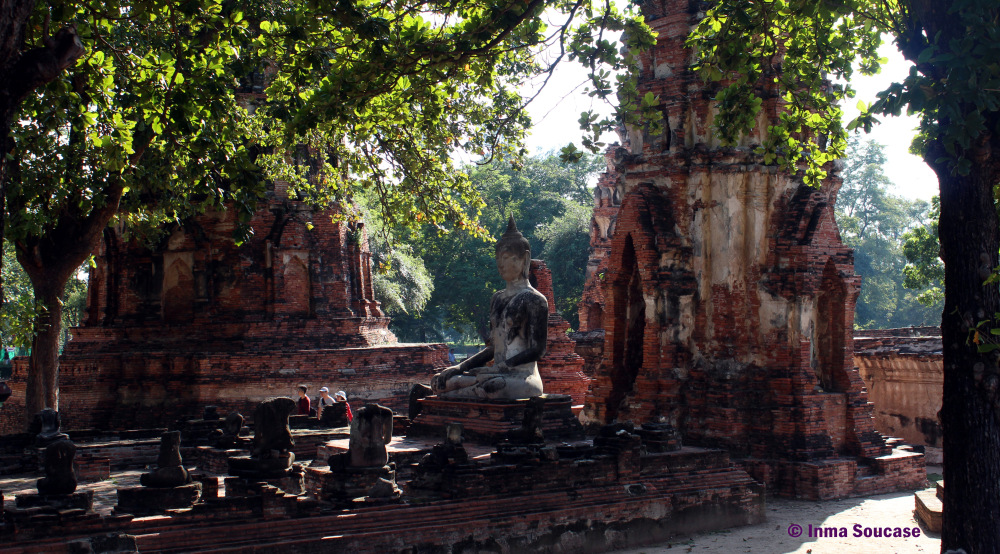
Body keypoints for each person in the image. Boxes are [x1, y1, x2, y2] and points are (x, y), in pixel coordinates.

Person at [430, 216, 548, 399]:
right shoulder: (497, 298)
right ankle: (449, 395)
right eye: (498, 258)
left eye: (507, 257)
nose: (500, 264)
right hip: (495, 373)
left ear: (524, 258)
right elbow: (494, 348)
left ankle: (447, 399)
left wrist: (502, 367)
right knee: (440, 381)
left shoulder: (534, 300)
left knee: (494, 387)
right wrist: (460, 367)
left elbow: (538, 350)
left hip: (521, 377)